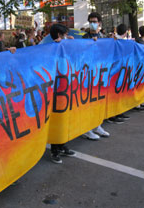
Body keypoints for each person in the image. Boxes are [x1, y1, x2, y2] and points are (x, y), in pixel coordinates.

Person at [38, 23, 76, 164]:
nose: (66, 36)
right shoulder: (47, 47)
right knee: (57, 118)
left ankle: (63, 144)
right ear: (59, 35)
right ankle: (55, 150)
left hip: (65, 88)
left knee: (65, 117)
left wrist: (72, 44)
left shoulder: (65, 45)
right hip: (55, 90)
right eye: (64, 34)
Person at [82, 12, 111, 140]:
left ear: (99, 23)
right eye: (91, 21)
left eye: (95, 21)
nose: (93, 24)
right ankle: (87, 129)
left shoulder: (102, 37)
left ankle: (97, 125)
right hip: (88, 75)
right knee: (88, 103)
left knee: (98, 102)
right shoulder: (84, 37)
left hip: (101, 74)